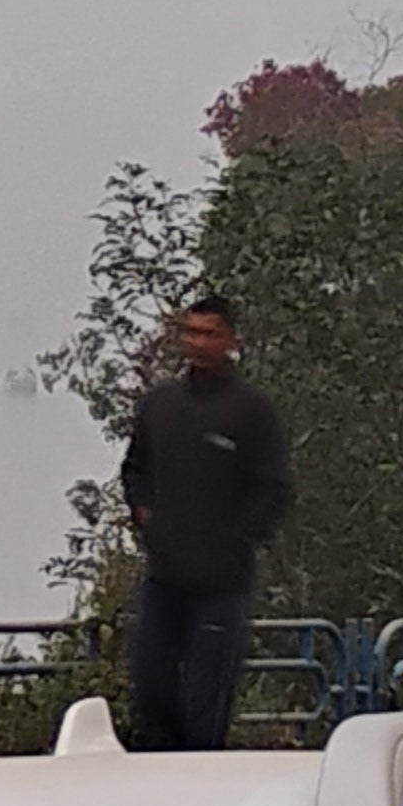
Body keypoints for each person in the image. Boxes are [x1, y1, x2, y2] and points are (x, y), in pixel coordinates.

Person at [115, 289, 295, 752]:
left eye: (209, 334)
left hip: (221, 588)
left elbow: (274, 488)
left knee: (205, 709)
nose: (198, 343)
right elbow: (135, 469)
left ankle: (201, 798)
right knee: (151, 691)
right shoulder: (160, 406)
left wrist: (236, 537)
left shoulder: (251, 412)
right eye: (191, 332)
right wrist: (145, 516)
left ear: (231, 340)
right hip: (164, 581)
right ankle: (160, 791)